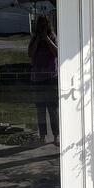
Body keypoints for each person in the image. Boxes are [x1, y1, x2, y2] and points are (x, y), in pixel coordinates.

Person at [28, 14, 59, 145]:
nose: (42, 27)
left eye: (44, 24)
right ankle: (43, 135)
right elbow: (30, 54)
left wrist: (47, 39)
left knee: (52, 108)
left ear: (48, 24)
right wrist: (37, 41)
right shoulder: (34, 38)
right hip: (38, 78)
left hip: (51, 77)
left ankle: (56, 135)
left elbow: (57, 52)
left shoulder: (52, 36)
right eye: (40, 24)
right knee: (40, 109)